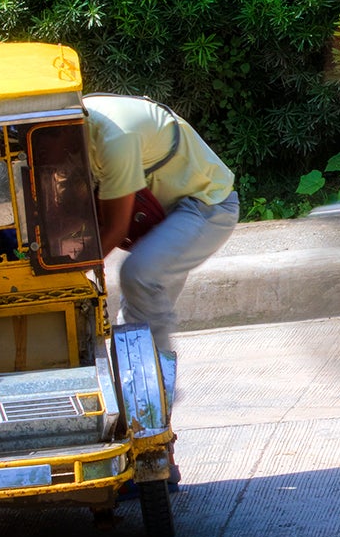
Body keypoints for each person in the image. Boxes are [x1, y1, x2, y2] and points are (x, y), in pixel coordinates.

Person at [83, 94, 240, 375]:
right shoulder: (72, 126)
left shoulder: (114, 137)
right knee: (133, 322)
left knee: (138, 274)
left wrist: (68, 274)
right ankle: (138, 387)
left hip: (205, 206)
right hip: (164, 213)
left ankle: (154, 387)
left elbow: (114, 228)